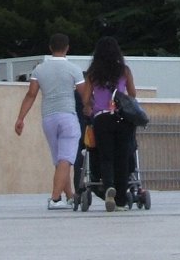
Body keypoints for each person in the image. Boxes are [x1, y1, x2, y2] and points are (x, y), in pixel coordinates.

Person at [15, 32, 86, 210]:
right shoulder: (74, 69)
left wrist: (20, 118)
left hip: (48, 118)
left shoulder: (39, 69)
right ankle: (55, 199)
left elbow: (31, 94)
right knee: (66, 159)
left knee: (59, 160)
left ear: (50, 48)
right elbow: (84, 94)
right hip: (68, 116)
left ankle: (70, 196)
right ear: (67, 48)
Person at [81, 36, 140, 212]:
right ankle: (121, 200)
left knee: (105, 156)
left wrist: (92, 104)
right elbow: (133, 94)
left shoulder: (93, 73)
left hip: (101, 119)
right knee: (122, 157)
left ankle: (108, 188)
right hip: (122, 118)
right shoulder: (124, 71)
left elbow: (85, 99)